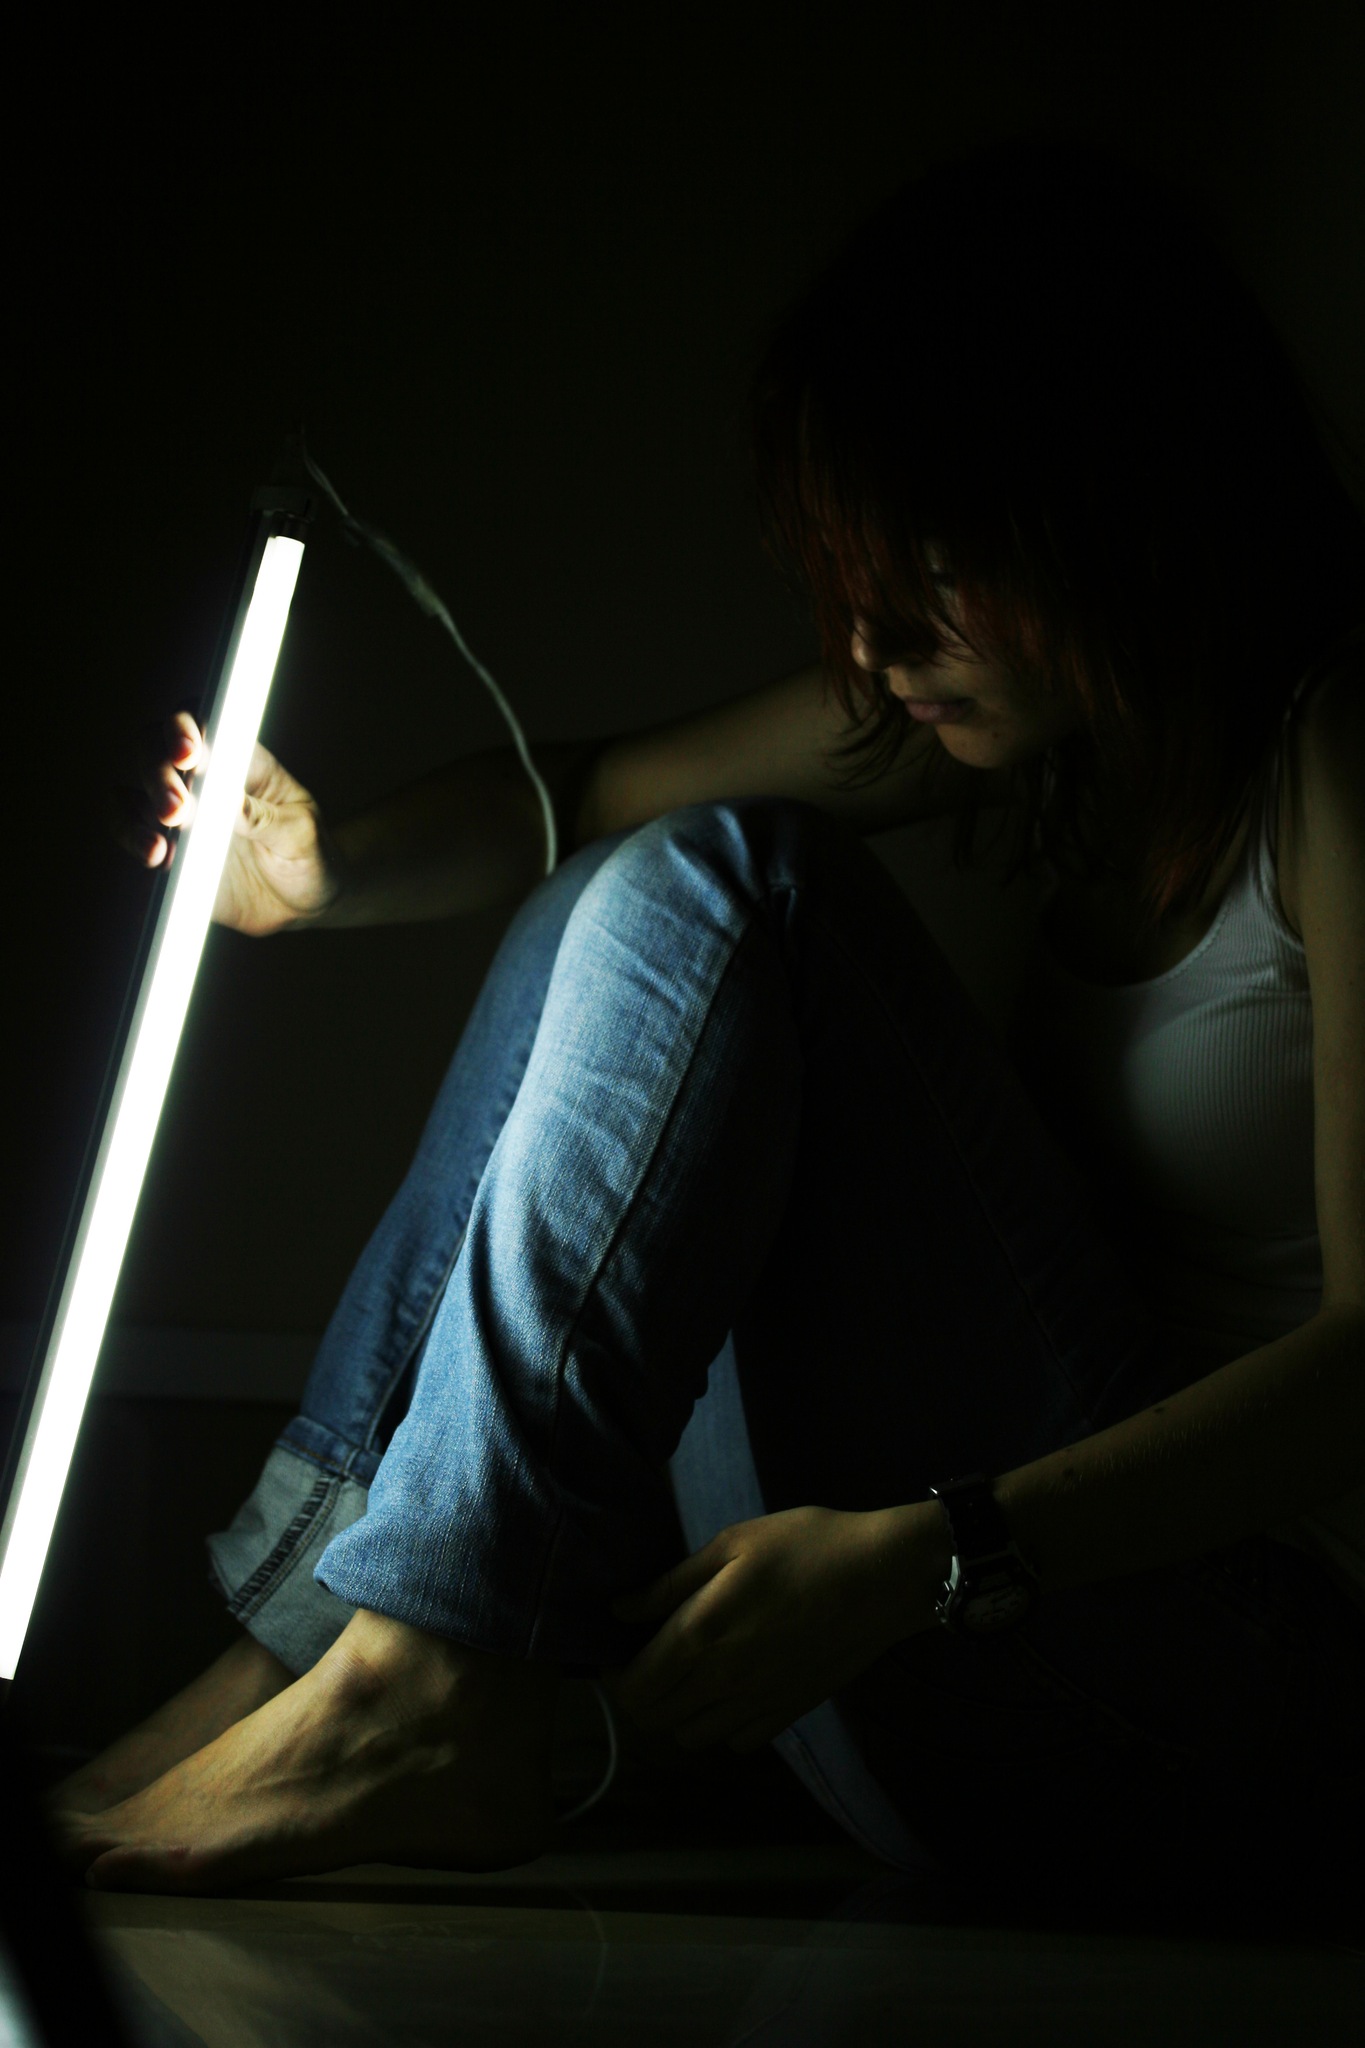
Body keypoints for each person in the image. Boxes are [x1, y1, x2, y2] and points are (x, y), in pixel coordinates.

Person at [52, 135, 1365, 1898]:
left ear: (1112, 502)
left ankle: (425, 1676)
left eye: (934, 567)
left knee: (729, 875)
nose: (875, 642)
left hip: (1246, 1694)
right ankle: (316, 1657)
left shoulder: (1335, 744)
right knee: (631, 883)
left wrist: (933, 1550)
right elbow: (585, 799)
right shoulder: (1041, 734)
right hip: (957, 1655)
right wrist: (327, 871)